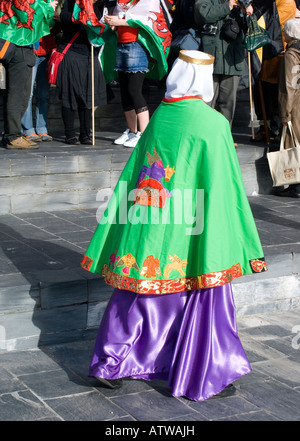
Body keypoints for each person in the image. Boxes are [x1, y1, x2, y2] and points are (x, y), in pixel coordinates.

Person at [80, 50, 267, 401]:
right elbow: (224, 187)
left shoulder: (160, 117)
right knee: (204, 290)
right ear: (204, 80)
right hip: (197, 228)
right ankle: (201, 369)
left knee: (137, 289)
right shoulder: (213, 124)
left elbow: (139, 174)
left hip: (152, 223)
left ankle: (112, 362)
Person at [104, 0, 171, 148]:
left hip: (137, 45)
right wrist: (114, 23)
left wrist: (121, 22)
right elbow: (119, 17)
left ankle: (143, 133)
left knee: (134, 90)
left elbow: (148, 21)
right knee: (125, 90)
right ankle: (132, 131)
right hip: (121, 43)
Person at [2, 1, 58, 150]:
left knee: (22, 94)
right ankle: (13, 136)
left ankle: (13, 134)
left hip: (22, 43)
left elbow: (48, 22)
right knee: (18, 94)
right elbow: (25, 13)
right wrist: (48, 7)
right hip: (17, 43)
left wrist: (48, 11)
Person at [194, 0, 253, 128]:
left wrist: (248, 14)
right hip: (210, 60)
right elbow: (203, 14)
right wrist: (228, 6)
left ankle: (224, 139)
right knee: (207, 103)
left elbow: (250, 28)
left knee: (228, 105)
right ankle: (205, 138)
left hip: (232, 59)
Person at [56, 0, 107, 145]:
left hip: (90, 54)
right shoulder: (72, 2)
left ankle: (85, 133)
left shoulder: (99, 4)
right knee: (69, 95)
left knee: (88, 96)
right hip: (72, 52)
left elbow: (103, 25)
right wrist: (79, 18)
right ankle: (69, 134)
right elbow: (64, 17)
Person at [251, 0, 296, 142]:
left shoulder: (287, 2)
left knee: (278, 94)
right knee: (262, 94)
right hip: (263, 55)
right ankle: (264, 127)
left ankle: (277, 129)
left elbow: (275, 25)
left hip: (278, 54)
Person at [275, 18, 300, 198]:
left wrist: (285, 114)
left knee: (294, 146)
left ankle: (296, 186)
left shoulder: (291, 55)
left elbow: (288, 87)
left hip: (296, 106)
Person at [21, 34, 57, 143]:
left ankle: (42, 128)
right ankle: (27, 129)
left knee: (44, 94)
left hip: (46, 52)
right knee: (28, 94)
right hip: (30, 51)